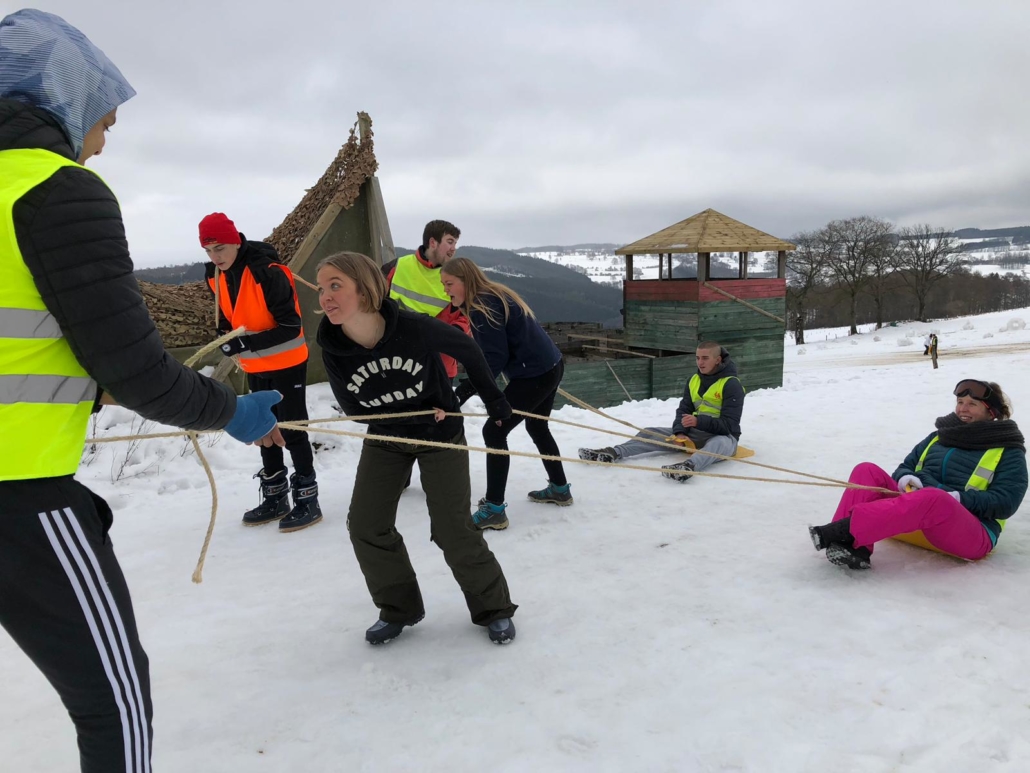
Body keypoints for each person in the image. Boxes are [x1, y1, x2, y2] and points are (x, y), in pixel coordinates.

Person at [0, 10, 284, 772]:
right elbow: (135, 368)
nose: (108, 129)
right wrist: (232, 411)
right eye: (101, 110)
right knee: (113, 696)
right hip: (18, 500)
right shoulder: (58, 191)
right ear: (60, 96)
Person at [316, 252, 518, 645]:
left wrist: (495, 401)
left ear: (366, 287)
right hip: (388, 438)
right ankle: (399, 609)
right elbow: (356, 409)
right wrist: (402, 413)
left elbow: (468, 349)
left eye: (335, 285)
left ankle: (494, 608)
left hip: (439, 434)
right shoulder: (333, 345)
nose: (325, 296)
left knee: (453, 529)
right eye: (322, 288)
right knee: (365, 525)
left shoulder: (412, 327)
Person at [809, 380, 1027, 570]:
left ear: (992, 412)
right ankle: (853, 549)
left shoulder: (1007, 449)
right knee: (866, 470)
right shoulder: (939, 436)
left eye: (972, 404)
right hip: (914, 519)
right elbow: (905, 466)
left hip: (969, 533)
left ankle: (842, 530)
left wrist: (957, 499)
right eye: (960, 403)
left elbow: (1006, 502)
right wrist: (905, 478)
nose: (963, 409)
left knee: (935, 498)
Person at [201, 212, 321, 532]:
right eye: (209, 251)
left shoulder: (269, 272)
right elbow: (228, 317)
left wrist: (243, 343)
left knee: (293, 429)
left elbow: (291, 326)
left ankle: (307, 498)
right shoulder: (214, 274)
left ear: (236, 241)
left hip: (287, 361)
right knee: (263, 428)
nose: (215, 257)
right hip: (255, 364)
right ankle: (275, 496)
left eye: (220, 248)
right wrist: (226, 336)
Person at [440, 257, 571, 530]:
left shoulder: (482, 306)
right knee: (537, 427)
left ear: (465, 280)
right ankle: (560, 489)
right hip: (549, 365)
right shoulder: (492, 294)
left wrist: (461, 393)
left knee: (494, 432)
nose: (446, 290)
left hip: (534, 373)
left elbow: (493, 359)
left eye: (449, 283)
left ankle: (495, 509)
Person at [579, 342, 745, 483]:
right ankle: (613, 452)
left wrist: (698, 421)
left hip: (723, 436)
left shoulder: (731, 384)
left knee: (719, 444)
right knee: (651, 432)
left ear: (718, 360)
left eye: (705, 358)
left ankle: (688, 467)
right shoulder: (694, 380)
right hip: (695, 434)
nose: (700, 362)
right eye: (697, 358)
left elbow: (730, 425)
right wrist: (680, 432)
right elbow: (684, 409)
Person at [381, 219, 469, 379]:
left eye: (455, 243)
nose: (453, 249)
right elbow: (374, 304)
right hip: (397, 360)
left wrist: (452, 335)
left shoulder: (458, 276)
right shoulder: (396, 267)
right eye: (450, 242)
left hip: (440, 365)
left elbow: (466, 315)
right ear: (433, 242)